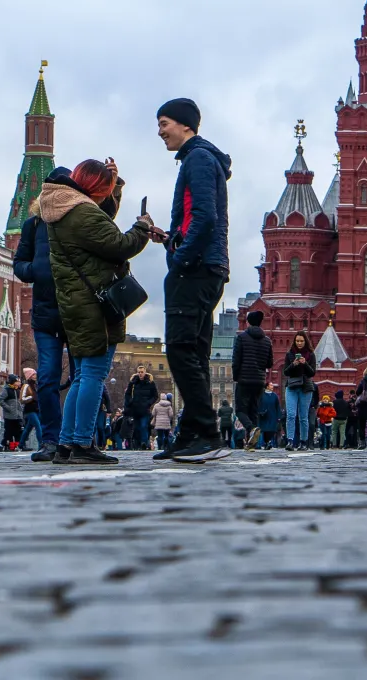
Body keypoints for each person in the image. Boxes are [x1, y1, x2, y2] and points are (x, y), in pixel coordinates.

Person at [41, 160, 155, 466]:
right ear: (95, 188)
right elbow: (119, 244)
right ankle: (82, 444)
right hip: (94, 304)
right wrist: (142, 227)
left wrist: (114, 185)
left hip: (76, 301)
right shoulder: (81, 212)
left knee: (81, 376)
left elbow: (99, 223)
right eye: (105, 189)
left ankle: (66, 443)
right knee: (92, 374)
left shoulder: (65, 208)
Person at [154, 98, 232, 463]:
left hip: (196, 268)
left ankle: (208, 433)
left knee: (181, 349)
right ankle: (190, 435)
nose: (160, 131)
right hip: (205, 265)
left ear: (186, 125)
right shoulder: (200, 159)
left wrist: (180, 258)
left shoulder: (198, 160)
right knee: (195, 351)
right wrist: (169, 238)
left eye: (164, 123)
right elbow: (194, 221)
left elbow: (204, 217)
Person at [14, 181, 63, 462]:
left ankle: (76, 439)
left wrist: (113, 190)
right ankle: (50, 440)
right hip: (45, 313)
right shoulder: (33, 225)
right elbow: (19, 263)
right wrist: (37, 270)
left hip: (76, 312)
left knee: (83, 377)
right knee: (46, 379)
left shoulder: (77, 218)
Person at [231, 311, 273, 449]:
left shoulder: (242, 338)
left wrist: (236, 376)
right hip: (260, 381)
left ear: (248, 322)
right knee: (253, 410)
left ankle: (251, 428)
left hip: (244, 379)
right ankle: (252, 443)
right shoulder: (267, 341)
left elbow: (236, 360)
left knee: (240, 411)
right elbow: (269, 363)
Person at [282, 330, 317, 450]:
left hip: (305, 388)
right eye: (297, 341)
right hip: (292, 387)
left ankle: (303, 442)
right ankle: (290, 441)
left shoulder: (311, 355)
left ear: (305, 341)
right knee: (291, 415)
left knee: (303, 416)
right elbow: (285, 372)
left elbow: (312, 372)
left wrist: (305, 363)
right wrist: (294, 364)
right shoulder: (290, 354)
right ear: (294, 341)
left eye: (301, 341)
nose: (299, 343)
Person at [124, 365, 159, 449]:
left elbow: (155, 395)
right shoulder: (133, 382)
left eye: (142, 372)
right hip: (135, 409)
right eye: (139, 372)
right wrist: (130, 401)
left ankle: (144, 443)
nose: (140, 374)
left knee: (144, 426)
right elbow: (127, 394)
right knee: (137, 428)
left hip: (145, 409)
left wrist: (149, 403)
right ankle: (138, 443)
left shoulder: (150, 382)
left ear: (145, 372)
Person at [0, 374, 24, 448]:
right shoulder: (7, 390)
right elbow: (0, 400)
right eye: (18, 381)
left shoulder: (18, 390)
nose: (19, 383)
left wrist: (21, 409)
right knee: (8, 432)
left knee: (17, 432)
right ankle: (6, 445)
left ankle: (16, 446)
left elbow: (20, 402)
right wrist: (8, 408)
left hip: (17, 415)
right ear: (13, 382)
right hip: (9, 416)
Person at [19, 369, 40, 450]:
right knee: (38, 427)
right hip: (30, 410)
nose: (35, 376)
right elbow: (22, 399)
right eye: (34, 374)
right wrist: (31, 397)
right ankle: (41, 445)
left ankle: (21, 444)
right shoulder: (26, 385)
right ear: (30, 376)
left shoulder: (36, 385)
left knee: (28, 428)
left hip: (37, 409)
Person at [258, 384, 282, 449]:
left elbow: (278, 406)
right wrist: (260, 412)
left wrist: (279, 416)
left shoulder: (274, 396)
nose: (272, 386)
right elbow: (259, 404)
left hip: (273, 415)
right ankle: (267, 442)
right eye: (271, 385)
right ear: (267, 387)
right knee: (265, 430)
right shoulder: (262, 395)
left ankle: (269, 441)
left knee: (272, 430)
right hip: (264, 416)